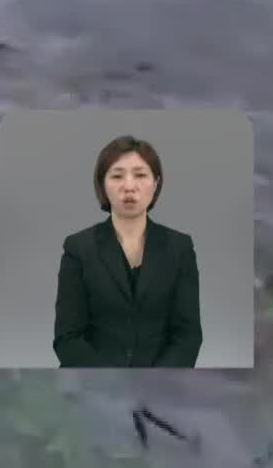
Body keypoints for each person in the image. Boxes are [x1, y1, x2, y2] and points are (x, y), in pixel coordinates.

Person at [52, 135, 202, 367]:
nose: (129, 186)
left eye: (141, 175)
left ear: (156, 182)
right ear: (102, 183)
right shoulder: (78, 248)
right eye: (117, 176)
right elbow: (67, 339)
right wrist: (113, 383)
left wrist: (153, 382)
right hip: (94, 386)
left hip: (161, 386)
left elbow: (188, 336)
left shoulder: (179, 247)